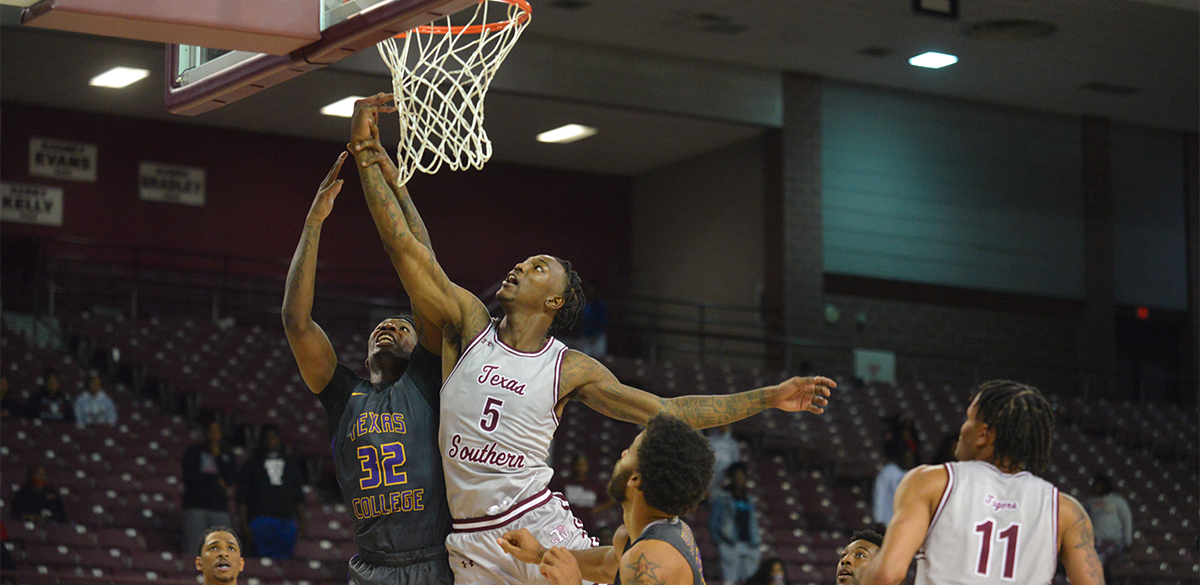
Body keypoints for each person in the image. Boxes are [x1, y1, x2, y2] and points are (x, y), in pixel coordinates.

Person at [347, 93, 836, 585]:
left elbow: (668, 412)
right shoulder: (469, 325)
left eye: (539, 268)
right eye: (524, 261)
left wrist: (769, 397)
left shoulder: (568, 368)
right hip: (470, 540)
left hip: (538, 529)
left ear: (554, 303)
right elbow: (410, 253)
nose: (519, 266)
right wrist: (374, 166)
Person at [282, 151, 453, 584]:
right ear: (363, 354)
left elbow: (425, 273)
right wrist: (313, 224)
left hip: (432, 561)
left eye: (403, 326)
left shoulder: (427, 377)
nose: (389, 327)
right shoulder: (343, 396)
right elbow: (295, 323)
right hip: (370, 566)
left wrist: (399, 189)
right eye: (382, 325)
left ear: (421, 346)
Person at [859, 380, 1105, 585]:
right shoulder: (1066, 511)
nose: (962, 428)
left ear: (984, 434)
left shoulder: (930, 482)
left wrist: (863, 572)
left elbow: (887, 574)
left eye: (968, 419)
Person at [499, 413, 715, 585]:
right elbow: (605, 567)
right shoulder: (636, 538)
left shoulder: (649, 562)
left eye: (629, 452)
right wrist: (540, 554)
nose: (622, 454)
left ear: (635, 479)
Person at [236, 424, 307, 559]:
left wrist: (302, 524)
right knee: (261, 561)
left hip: (286, 521)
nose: (271, 440)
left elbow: (299, 496)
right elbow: (242, 498)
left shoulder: (291, 464)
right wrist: (244, 525)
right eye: (267, 437)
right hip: (260, 520)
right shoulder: (252, 464)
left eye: (274, 437)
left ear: (279, 439)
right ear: (262, 440)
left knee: (285, 563)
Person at [181, 420, 238, 555]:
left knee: (221, 551)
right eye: (210, 431)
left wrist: (217, 456)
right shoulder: (193, 452)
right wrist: (215, 480)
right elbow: (191, 477)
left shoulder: (227, 455)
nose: (213, 435)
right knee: (195, 548)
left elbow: (230, 479)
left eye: (216, 431)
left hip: (219, 507)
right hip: (196, 505)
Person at [709, 462, 762, 585]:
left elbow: (752, 521)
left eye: (742, 476)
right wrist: (720, 542)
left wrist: (756, 541)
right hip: (730, 543)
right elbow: (713, 522)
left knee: (750, 580)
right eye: (736, 476)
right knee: (730, 580)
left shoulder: (748, 498)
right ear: (731, 478)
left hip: (749, 544)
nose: (739, 480)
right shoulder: (722, 497)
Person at [550, 452, 616, 537]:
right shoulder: (563, 483)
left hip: (587, 526)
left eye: (583, 465)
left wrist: (597, 509)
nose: (580, 468)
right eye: (578, 464)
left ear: (588, 466)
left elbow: (610, 499)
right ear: (573, 465)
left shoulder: (594, 485)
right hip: (566, 525)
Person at [1085, 473, 1132, 574]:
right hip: (1097, 543)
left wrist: (1128, 541)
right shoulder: (1090, 502)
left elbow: (1126, 520)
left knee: (1102, 562)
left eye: (1097, 485)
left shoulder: (1117, 501)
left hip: (1115, 542)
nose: (1095, 487)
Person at [872, 438, 911, 528]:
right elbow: (879, 494)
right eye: (907, 457)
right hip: (888, 521)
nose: (909, 460)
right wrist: (879, 519)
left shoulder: (912, 473)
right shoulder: (888, 471)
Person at [707, 423, 742, 496]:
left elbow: (736, 463)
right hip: (711, 474)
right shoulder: (709, 440)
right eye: (721, 425)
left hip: (726, 476)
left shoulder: (733, 444)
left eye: (725, 425)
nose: (723, 427)